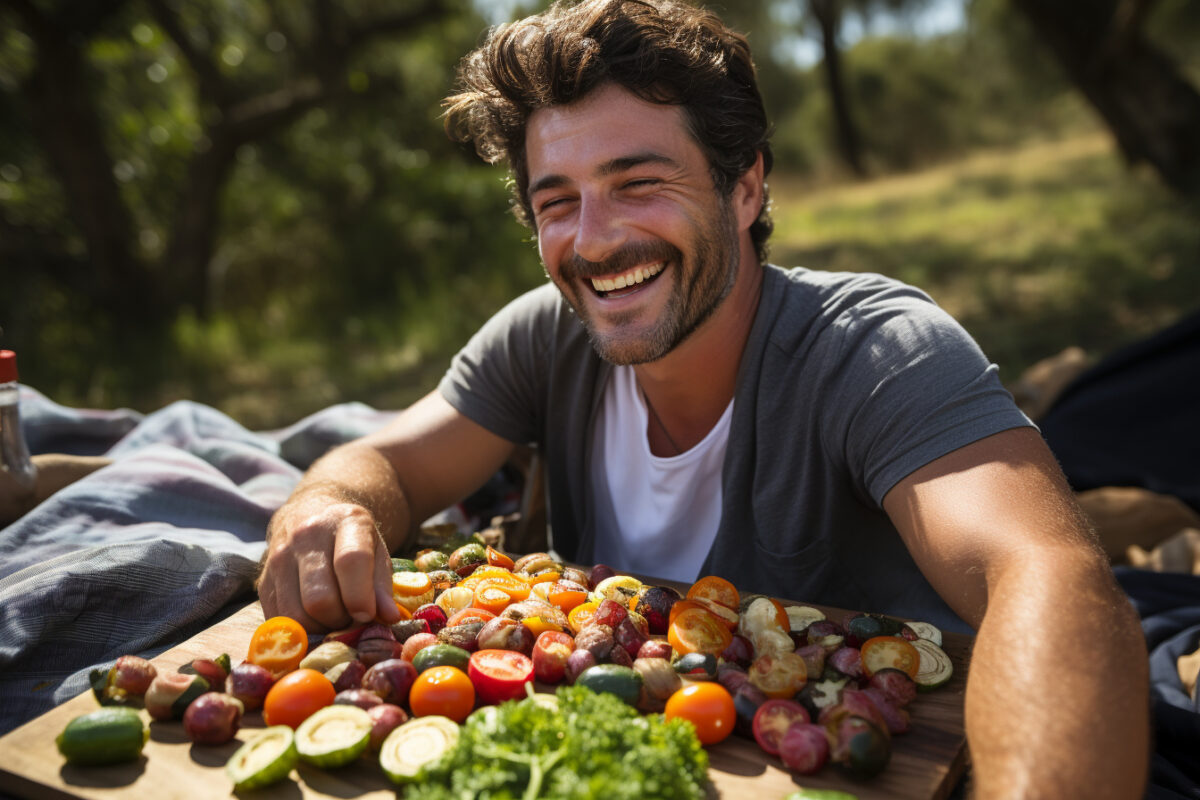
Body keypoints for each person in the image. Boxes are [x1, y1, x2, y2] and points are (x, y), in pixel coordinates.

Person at [257, 1, 1149, 796]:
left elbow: (1045, 576)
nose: (595, 242)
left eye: (639, 183)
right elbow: (386, 461)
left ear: (747, 183)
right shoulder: (544, 337)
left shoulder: (873, 351)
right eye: (557, 202)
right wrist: (328, 504)